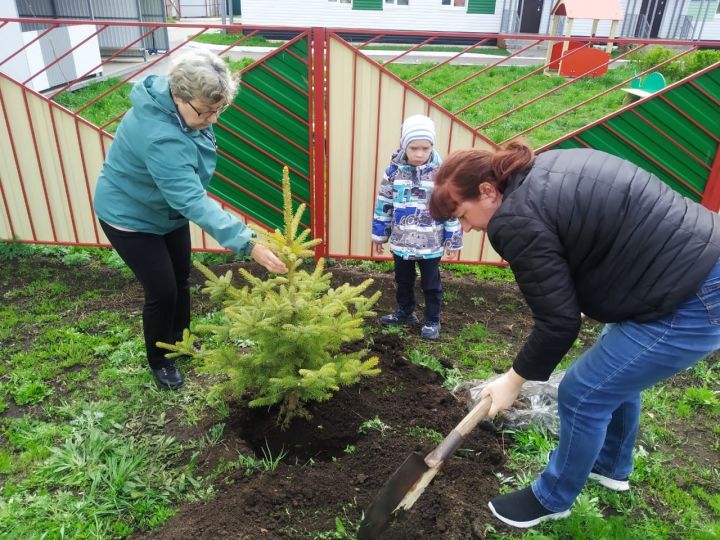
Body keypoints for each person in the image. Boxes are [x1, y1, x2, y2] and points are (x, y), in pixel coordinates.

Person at [428, 141, 720, 528]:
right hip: (689, 260)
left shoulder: (513, 218)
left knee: (583, 393)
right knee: (614, 373)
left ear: (486, 191)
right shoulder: (542, 167)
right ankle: (611, 466)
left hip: (693, 295)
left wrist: (512, 382)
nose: (467, 228)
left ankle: (552, 498)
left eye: (463, 215)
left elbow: (559, 321)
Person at [94, 50, 287, 391]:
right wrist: (248, 242)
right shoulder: (160, 135)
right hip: (131, 217)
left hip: (165, 210)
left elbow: (185, 189)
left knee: (181, 277)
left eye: (218, 111)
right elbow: (190, 198)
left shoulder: (182, 112)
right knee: (163, 291)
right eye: (206, 111)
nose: (213, 119)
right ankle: (160, 360)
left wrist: (203, 116)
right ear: (179, 96)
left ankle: (180, 341)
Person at [371, 114, 463, 340]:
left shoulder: (442, 174)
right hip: (402, 242)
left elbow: (451, 206)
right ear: (404, 146)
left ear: (432, 146)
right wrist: (379, 236)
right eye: (413, 148)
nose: (419, 153)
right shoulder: (393, 172)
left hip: (431, 244)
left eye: (425, 147)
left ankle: (432, 320)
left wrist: (452, 239)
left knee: (431, 284)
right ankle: (405, 312)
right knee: (403, 280)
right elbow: (384, 204)